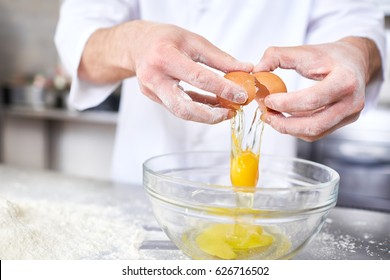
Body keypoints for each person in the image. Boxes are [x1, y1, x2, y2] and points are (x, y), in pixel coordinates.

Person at [55, 0, 386, 184]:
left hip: (269, 189)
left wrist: (358, 53)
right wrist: (134, 43)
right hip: (147, 190)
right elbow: (78, 40)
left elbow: (354, 19)